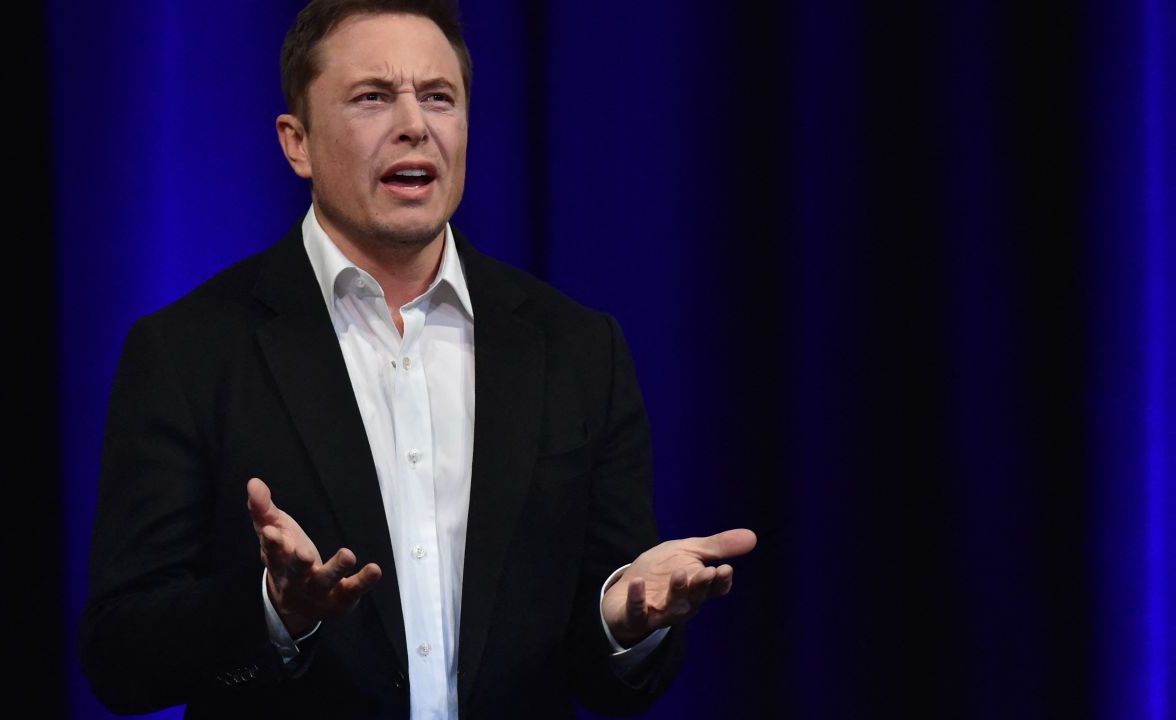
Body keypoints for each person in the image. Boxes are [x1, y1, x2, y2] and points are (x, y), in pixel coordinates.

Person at [79, 1, 757, 717]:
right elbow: (119, 657)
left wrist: (623, 622)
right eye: (373, 97)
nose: (415, 124)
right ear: (297, 142)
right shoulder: (189, 350)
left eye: (439, 97)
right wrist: (273, 613)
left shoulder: (579, 349)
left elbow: (600, 664)